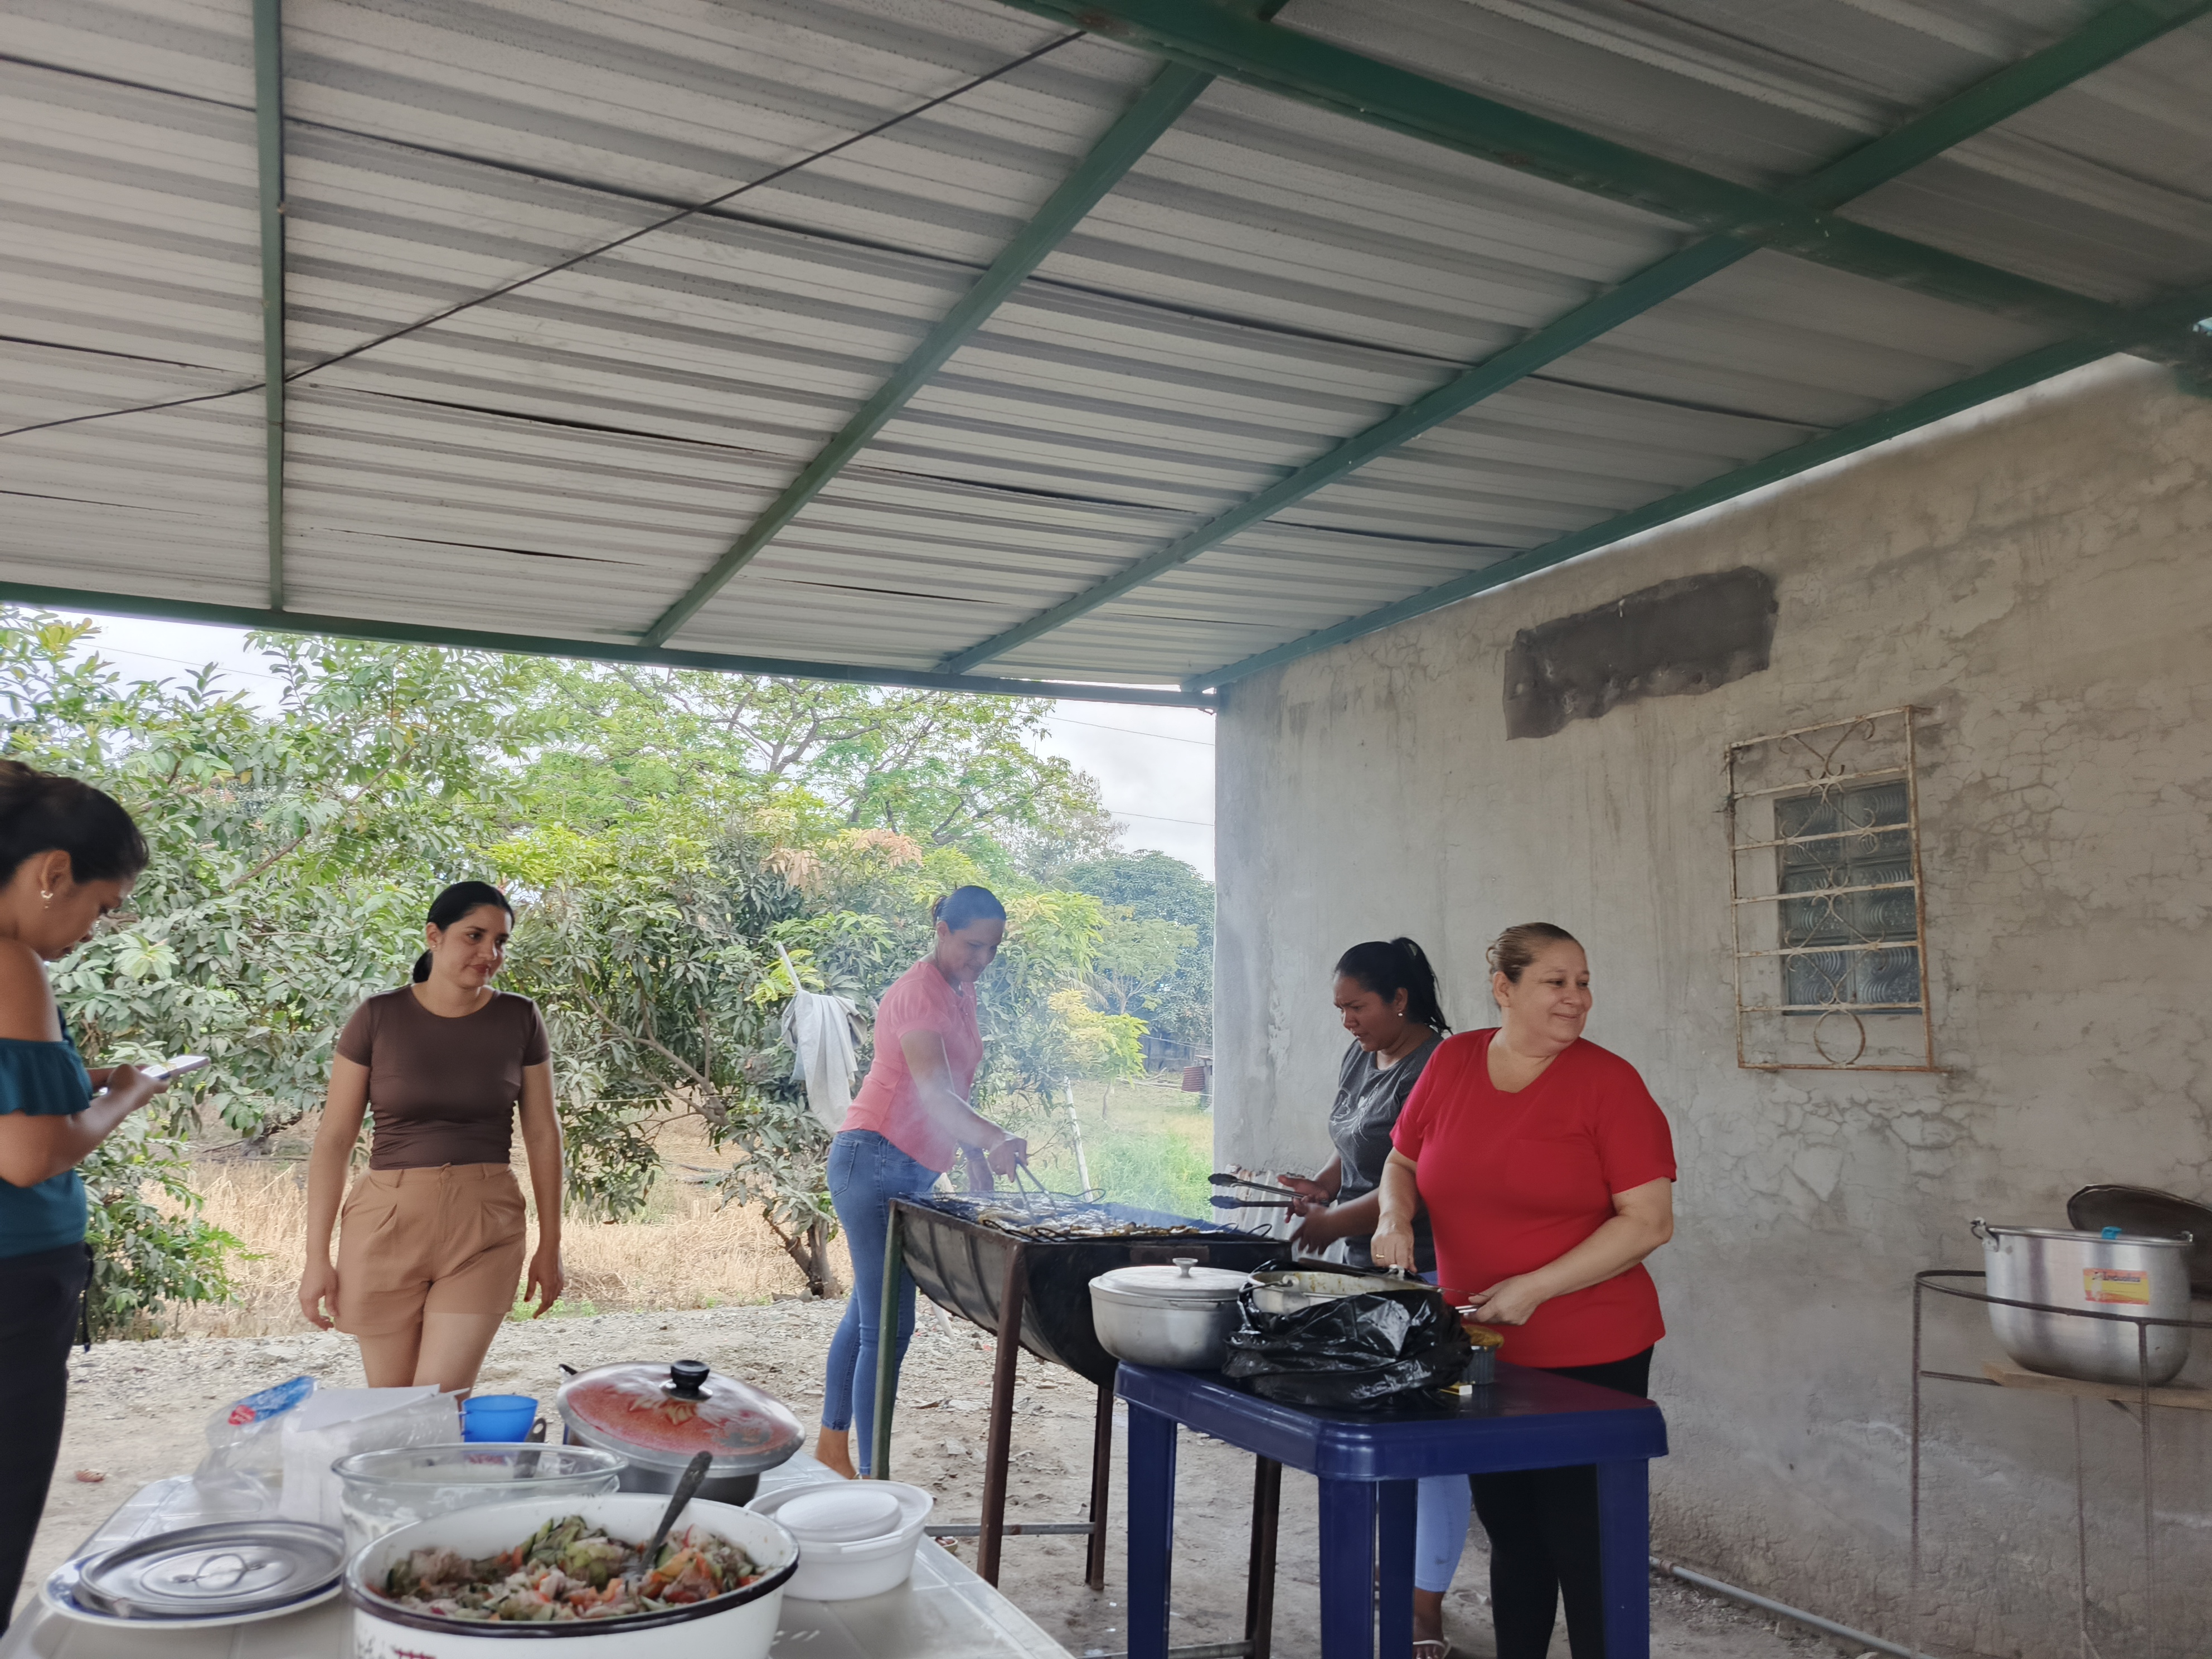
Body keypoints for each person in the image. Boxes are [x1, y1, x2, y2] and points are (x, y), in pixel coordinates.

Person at [1374, 923, 1676, 1659]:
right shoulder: (1453, 1061)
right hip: (1478, 1344)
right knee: (1511, 1531)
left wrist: (1535, 1288)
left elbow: (1649, 1222)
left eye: (1583, 982)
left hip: (1590, 1350)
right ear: (1503, 989)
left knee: (1583, 1541)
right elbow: (1402, 1161)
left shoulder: (1609, 1083)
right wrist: (1392, 1218)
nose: (1576, 998)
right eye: (1555, 982)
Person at [0, 763, 168, 1629]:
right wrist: (124, 1097)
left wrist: (80, 1079)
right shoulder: (12, 961)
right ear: (52, 872)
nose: (96, 930)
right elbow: (30, 1155)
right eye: (103, 906)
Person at [299, 881, 564, 1394]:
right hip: (386, 1224)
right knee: (394, 1408)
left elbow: (543, 1134)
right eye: (474, 936)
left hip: (485, 1226)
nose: (490, 954)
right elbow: (333, 1140)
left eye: (501, 942)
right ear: (434, 936)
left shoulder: (520, 1018)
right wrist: (316, 1258)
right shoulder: (378, 1017)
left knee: (440, 1403)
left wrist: (551, 1244)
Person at [815, 886, 1027, 1479]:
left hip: (905, 1166)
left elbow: (952, 1088)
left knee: (867, 1313)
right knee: (889, 1325)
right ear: (941, 930)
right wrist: (994, 1137)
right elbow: (932, 1095)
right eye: (972, 945)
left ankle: (833, 1452)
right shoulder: (917, 994)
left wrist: (975, 1156)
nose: (982, 959)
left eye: (993, 949)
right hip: (872, 1161)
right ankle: (874, 1477)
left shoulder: (961, 989)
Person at [1280, 938, 1448, 1270]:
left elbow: (1420, 1181)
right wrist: (1324, 1186)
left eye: (1357, 1008)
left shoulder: (1434, 1068)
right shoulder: (1361, 1054)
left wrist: (1335, 1222)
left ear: (1399, 999)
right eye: (1341, 1009)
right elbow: (1356, 1135)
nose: (1347, 1021)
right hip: (1361, 1257)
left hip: (1418, 1265)